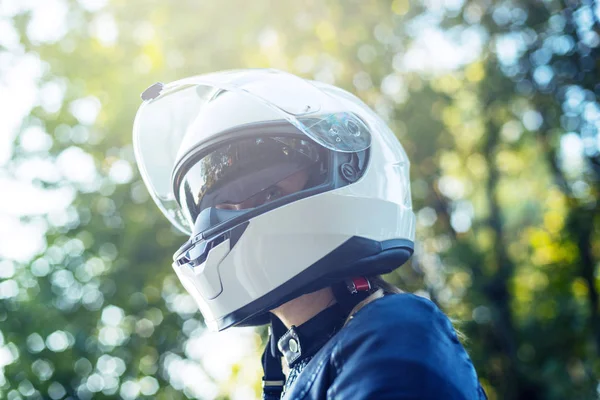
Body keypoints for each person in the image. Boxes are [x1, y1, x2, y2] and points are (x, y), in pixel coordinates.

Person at [132, 69, 487, 399]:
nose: (225, 215)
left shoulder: (394, 328)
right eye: (218, 201)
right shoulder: (293, 368)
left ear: (342, 170)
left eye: (262, 186)